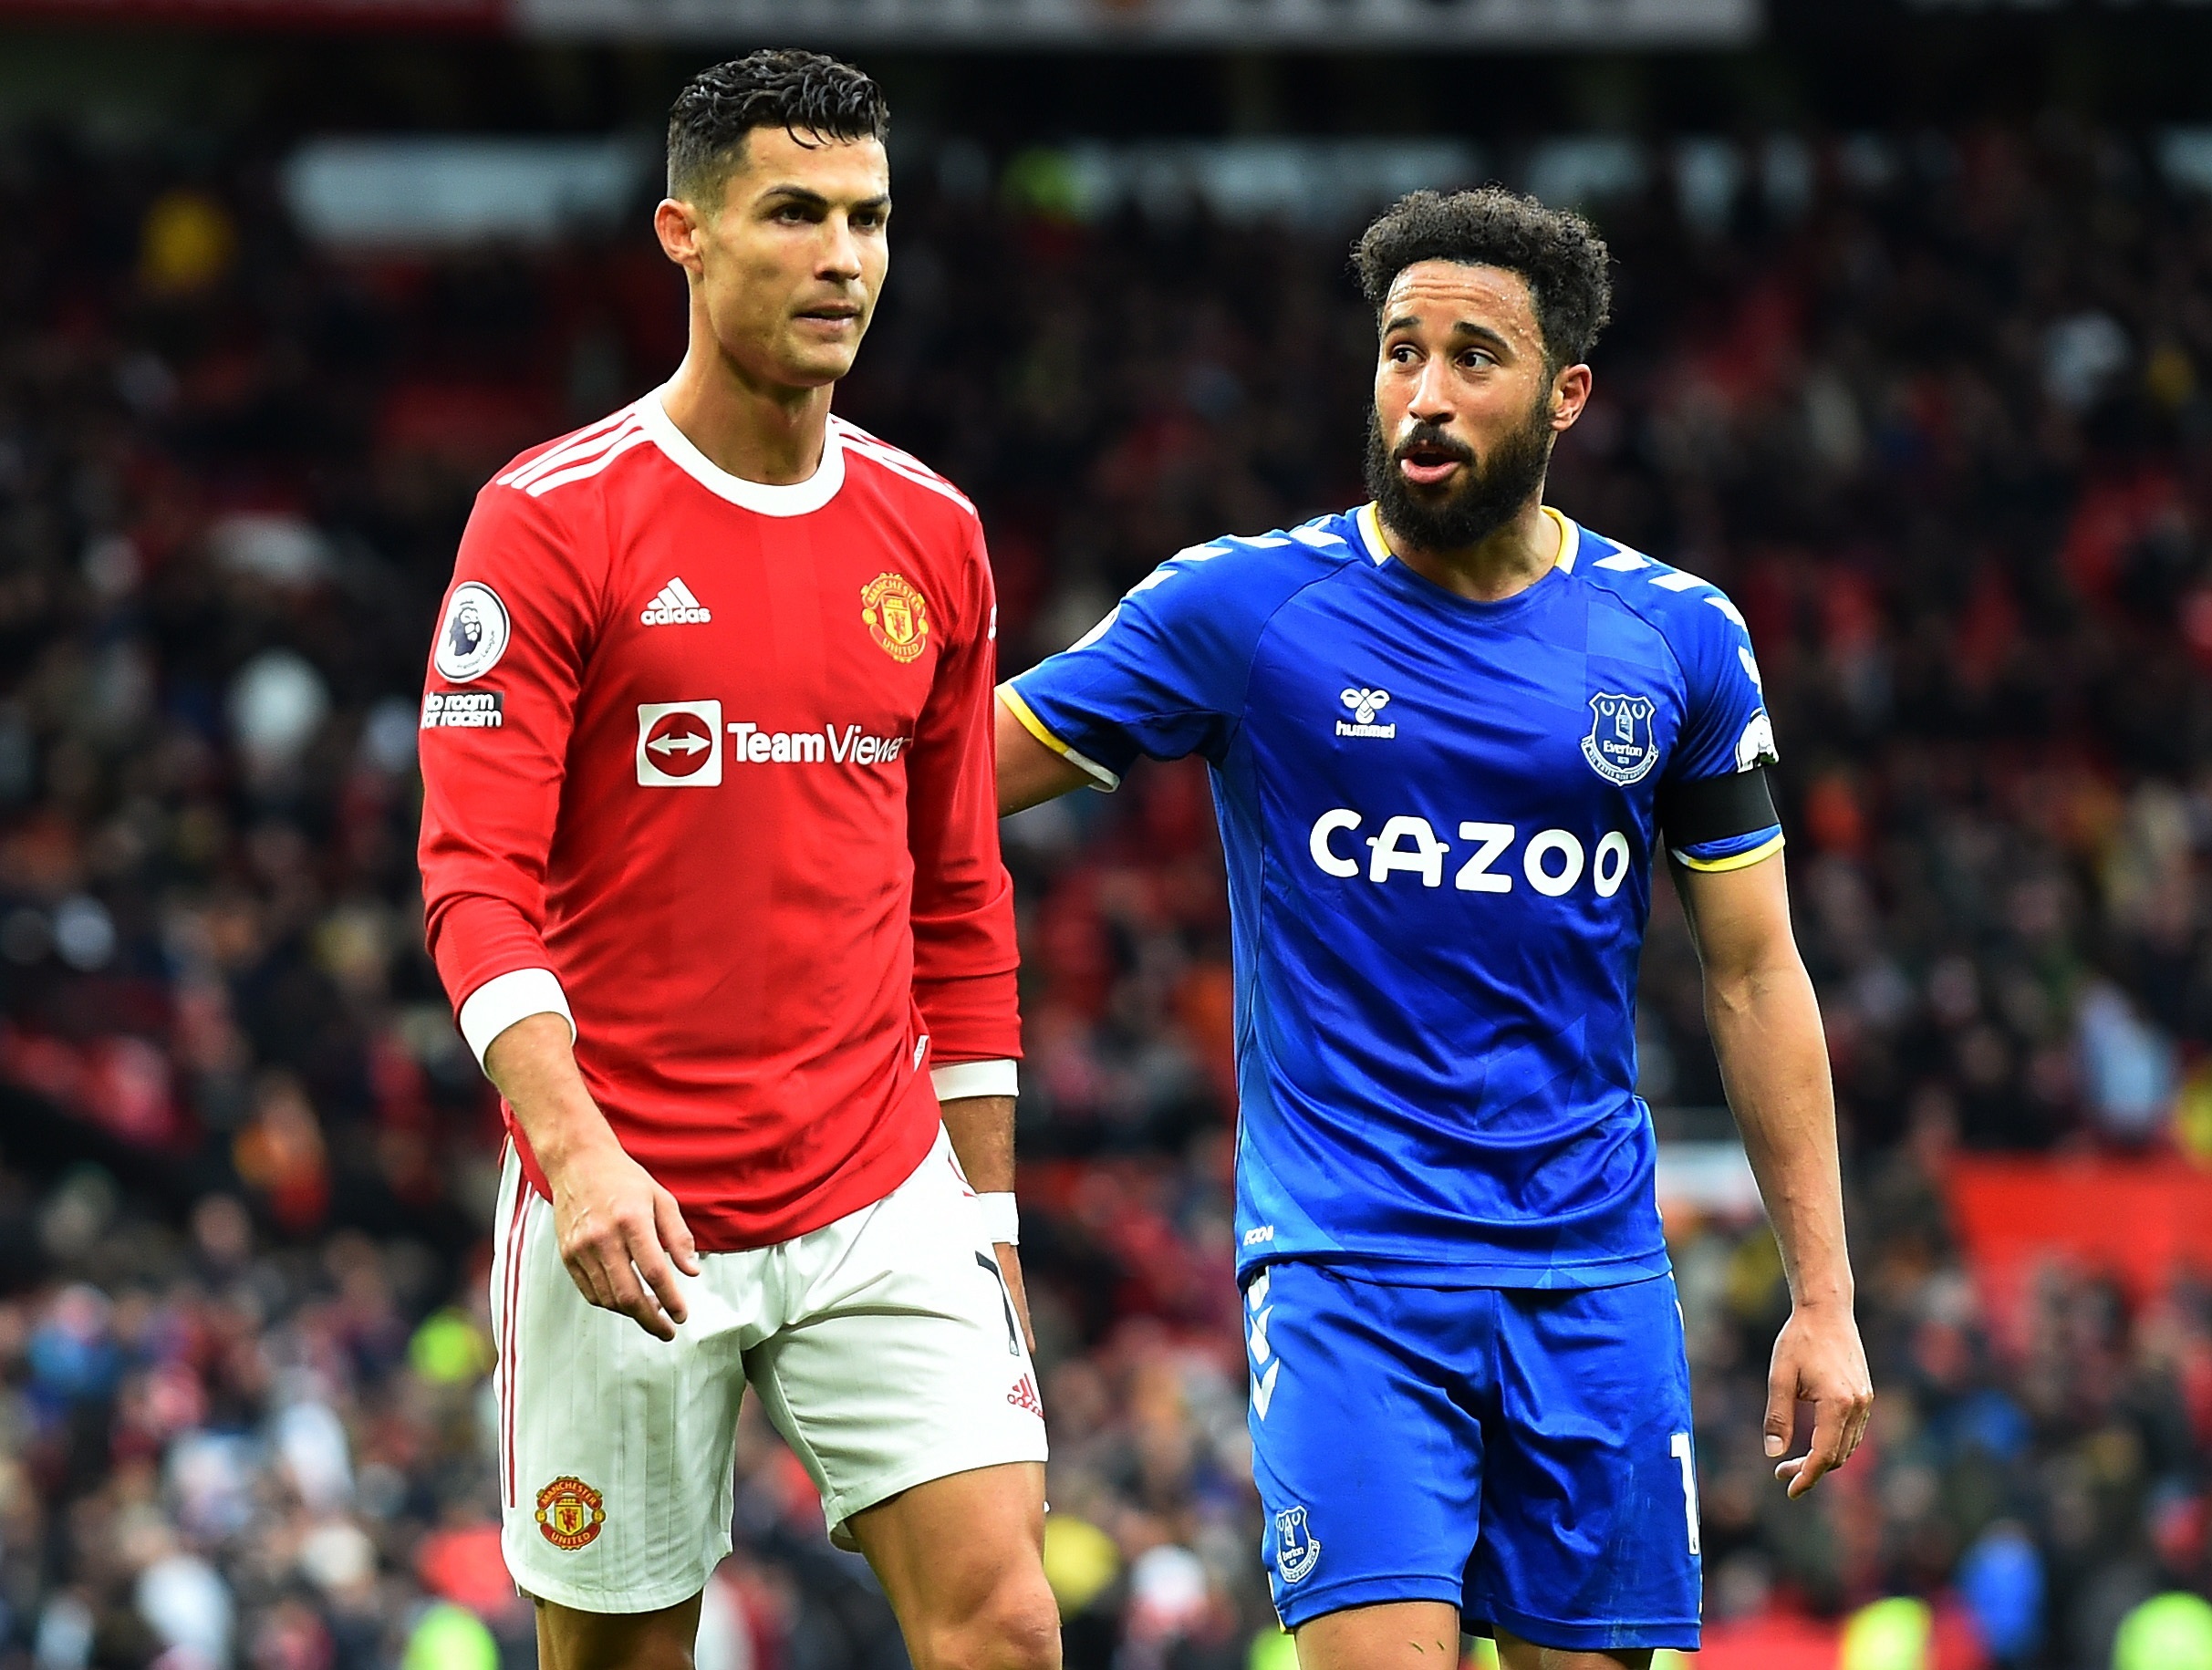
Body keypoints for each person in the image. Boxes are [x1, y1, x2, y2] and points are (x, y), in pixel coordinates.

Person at [995, 187, 1873, 1670]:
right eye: (1401, 351)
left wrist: (1824, 1301)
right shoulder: (1243, 610)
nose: (1425, 393)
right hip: (1349, 1266)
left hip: (1590, 1273)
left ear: (1564, 395)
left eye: (1475, 358)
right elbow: (929, 792)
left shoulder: (1674, 639)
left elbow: (1754, 972)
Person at [415, 50, 1058, 1670]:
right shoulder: (553, 518)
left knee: (1004, 1626)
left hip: (878, 1181)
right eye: (794, 215)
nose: (843, 257)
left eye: (869, 218)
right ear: (682, 236)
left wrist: (986, 1221)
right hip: (626, 1197)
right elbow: (472, 881)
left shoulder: (934, 533)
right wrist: (576, 1152)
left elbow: (962, 905)